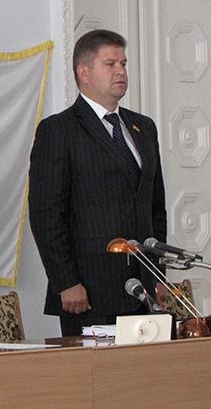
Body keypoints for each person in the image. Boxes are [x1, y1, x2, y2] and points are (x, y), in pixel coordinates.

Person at [28, 29, 167, 336]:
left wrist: (158, 275)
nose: (121, 71)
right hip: (89, 291)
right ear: (84, 72)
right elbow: (46, 215)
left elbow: (155, 208)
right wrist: (66, 281)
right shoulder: (59, 131)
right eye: (110, 64)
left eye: (123, 63)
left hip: (144, 289)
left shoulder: (143, 127)